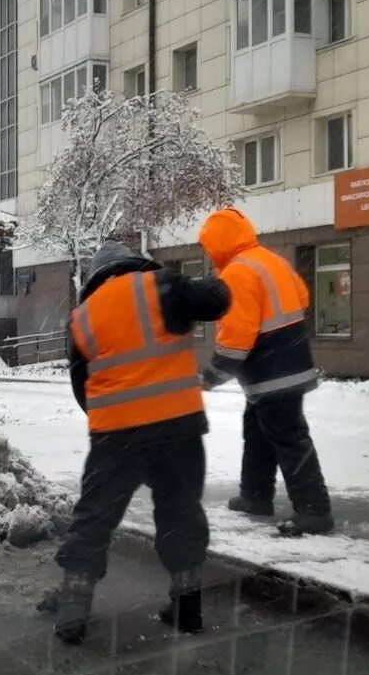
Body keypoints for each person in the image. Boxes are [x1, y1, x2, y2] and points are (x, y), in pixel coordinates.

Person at [42, 240, 232, 645]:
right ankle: (187, 607)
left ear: (97, 277)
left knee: (94, 518)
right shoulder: (163, 287)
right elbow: (218, 300)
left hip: (117, 435)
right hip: (179, 429)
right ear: (134, 264)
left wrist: (113, 419)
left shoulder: (82, 317)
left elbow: (82, 387)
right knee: (180, 513)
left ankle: (73, 608)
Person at [196, 207, 335, 537]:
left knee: (289, 438)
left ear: (219, 242)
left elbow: (237, 336)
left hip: (272, 370)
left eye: (208, 245)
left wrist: (213, 374)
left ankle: (315, 511)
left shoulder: (236, 274)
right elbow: (302, 296)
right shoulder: (271, 260)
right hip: (290, 360)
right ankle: (254, 496)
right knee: (258, 431)